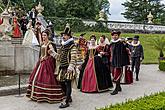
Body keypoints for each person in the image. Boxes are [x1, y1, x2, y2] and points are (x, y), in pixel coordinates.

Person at [26, 29, 64, 103]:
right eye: (43, 35)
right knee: (36, 78)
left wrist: (46, 58)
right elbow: (41, 53)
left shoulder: (50, 44)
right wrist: (40, 58)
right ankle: (37, 95)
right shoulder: (42, 43)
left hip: (47, 63)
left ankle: (48, 96)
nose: (43, 37)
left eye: (45, 35)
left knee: (47, 78)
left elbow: (53, 54)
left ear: (47, 36)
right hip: (41, 62)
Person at [56, 26, 77, 108]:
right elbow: (59, 57)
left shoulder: (72, 46)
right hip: (62, 67)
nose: (63, 37)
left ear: (69, 36)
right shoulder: (63, 46)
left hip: (69, 68)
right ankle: (69, 97)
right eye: (63, 35)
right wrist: (53, 53)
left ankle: (67, 101)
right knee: (61, 82)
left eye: (65, 35)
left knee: (68, 84)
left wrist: (71, 67)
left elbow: (74, 57)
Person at [109, 31, 130, 95]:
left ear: (118, 36)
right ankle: (119, 87)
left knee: (117, 75)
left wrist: (121, 62)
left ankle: (116, 89)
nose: (115, 36)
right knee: (113, 74)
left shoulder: (120, 43)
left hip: (118, 62)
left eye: (116, 35)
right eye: (113, 35)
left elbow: (124, 52)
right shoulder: (112, 43)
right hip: (113, 61)